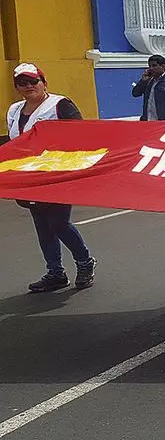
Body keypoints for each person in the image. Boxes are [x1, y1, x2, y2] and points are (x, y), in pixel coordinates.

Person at [8, 63, 99, 293]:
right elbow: (12, 144)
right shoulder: (15, 110)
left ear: (43, 82)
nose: (28, 86)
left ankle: (85, 262)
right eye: (22, 83)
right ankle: (55, 272)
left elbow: (81, 136)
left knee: (58, 223)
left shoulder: (59, 105)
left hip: (58, 174)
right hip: (28, 176)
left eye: (33, 81)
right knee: (42, 225)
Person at [132, 54, 165, 121]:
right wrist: (143, 81)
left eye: (154, 65)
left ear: (162, 66)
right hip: (147, 120)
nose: (151, 68)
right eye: (149, 66)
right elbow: (135, 93)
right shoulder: (149, 80)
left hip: (162, 122)